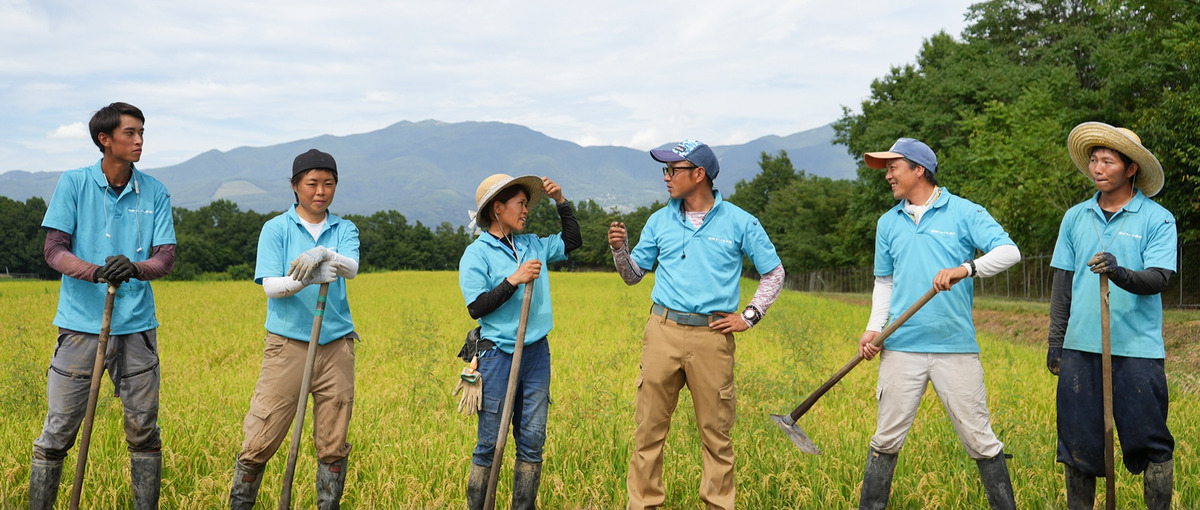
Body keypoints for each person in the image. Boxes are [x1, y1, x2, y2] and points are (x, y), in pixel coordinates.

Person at [607, 140, 784, 510]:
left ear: (699, 174)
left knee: (716, 435)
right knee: (648, 432)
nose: (667, 177)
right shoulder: (659, 220)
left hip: (712, 337)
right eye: (666, 170)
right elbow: (633, 275)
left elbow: (774, 273)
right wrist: (620, 250)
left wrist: (749, 316)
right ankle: (643, 504)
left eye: (674, 170)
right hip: (663, 331)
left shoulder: (740, 221)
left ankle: (718, 504)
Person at [855, 138, 1020, 510]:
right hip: (900, 346)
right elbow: (885, 281)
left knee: (981, 440)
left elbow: (1009, 251)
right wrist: (873, 327)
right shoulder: (887, 222)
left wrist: (966, 269)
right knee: (885, 440)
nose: (887, 176)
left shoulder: (964, 212)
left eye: (893, 167)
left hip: (955, 347)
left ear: (918, 169)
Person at [28, 102, 175, 510]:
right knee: (57, 431)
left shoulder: (155, 191)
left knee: (144, 430)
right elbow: (54, 250)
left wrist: (136, 268)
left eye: (142, 132)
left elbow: (165, 257)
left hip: (137, 328)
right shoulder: (73, 183)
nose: (140, 140)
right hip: (79, 327)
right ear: (104, 139)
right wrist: (94, 272)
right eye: (130, 133)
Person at [1048, 122, 1176, 509]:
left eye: (1108, 160)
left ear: (1131, 168)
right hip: (1080, 348)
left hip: (1136, 350)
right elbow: (1062, 284)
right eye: (1093, 160)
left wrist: (1119, 273)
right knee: (1078, 445)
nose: (1097, 168)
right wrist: (1056, 341)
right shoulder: (1074, 217)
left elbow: (1159, 278)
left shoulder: (1157, 218)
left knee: (1151, 442)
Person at [227, 149, 360, 510]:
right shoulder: (276, 228)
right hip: (288, 346)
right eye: (312, 183)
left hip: (336, 345)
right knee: (261, 436)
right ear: (295, 186)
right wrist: (305, 279)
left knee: (334, 440)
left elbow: (351, 267)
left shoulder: (344, 228)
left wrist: (324, 254)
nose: (321, 191)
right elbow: (271, 286)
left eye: (328, 184)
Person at [458, 173, 580, 510]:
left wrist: (562, 202)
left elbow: (572, 241)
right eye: (520, 204)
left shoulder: (533, 244)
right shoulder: (477, 254)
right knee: (490, 443)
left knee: (532, 441)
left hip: (537, 354)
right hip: (498, 357)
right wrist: (514, 279)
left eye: (527, 204)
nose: (526, 210)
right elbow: (476, 307)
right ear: (498, 209)